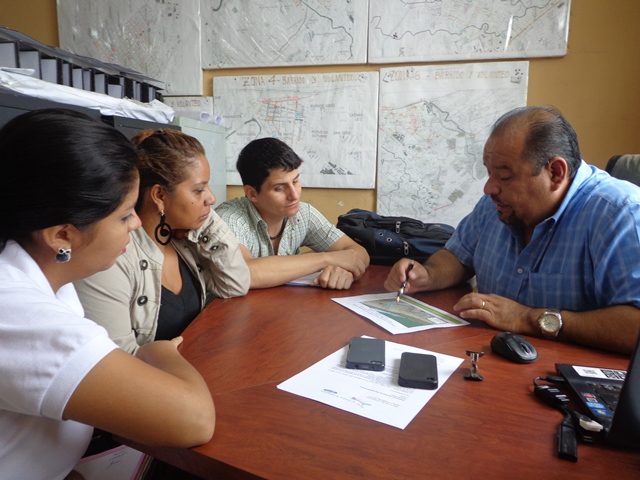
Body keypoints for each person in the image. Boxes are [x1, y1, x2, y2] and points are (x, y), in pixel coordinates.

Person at [0, 109, 214, 480]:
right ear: (62, 235)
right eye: (125, 215)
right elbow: (194, 420)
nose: (136, 224)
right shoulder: (16, 312)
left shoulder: (50, 276)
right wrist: (159, 350)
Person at [384, 105, 640, 354]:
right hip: (489, 359)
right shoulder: (496, 204)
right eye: (489, 173)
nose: (489, 188)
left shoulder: (621, 213)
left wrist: (528, 318)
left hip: (565, 379)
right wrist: (428, 274)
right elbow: (458, 256)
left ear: (556, 172)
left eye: (505, 176)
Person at [74, 129, 250, 354]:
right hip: (154, 382)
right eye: (198, 190)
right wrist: (166, 355)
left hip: (195, 365)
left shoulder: (184, 241)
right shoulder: (113, 258)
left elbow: (234, 285)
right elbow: (119, 361)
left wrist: (206, 220)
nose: (212, 198)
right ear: (159, 195)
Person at [215, 137, 370, 289]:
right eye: (279, 188)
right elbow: (245, 273)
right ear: (252, 194)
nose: (294, 195)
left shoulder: (303, 214)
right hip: (227, 312)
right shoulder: (229, 218)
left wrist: (342, 271)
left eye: (295, 181)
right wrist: (325, 259)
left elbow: (358, 253)